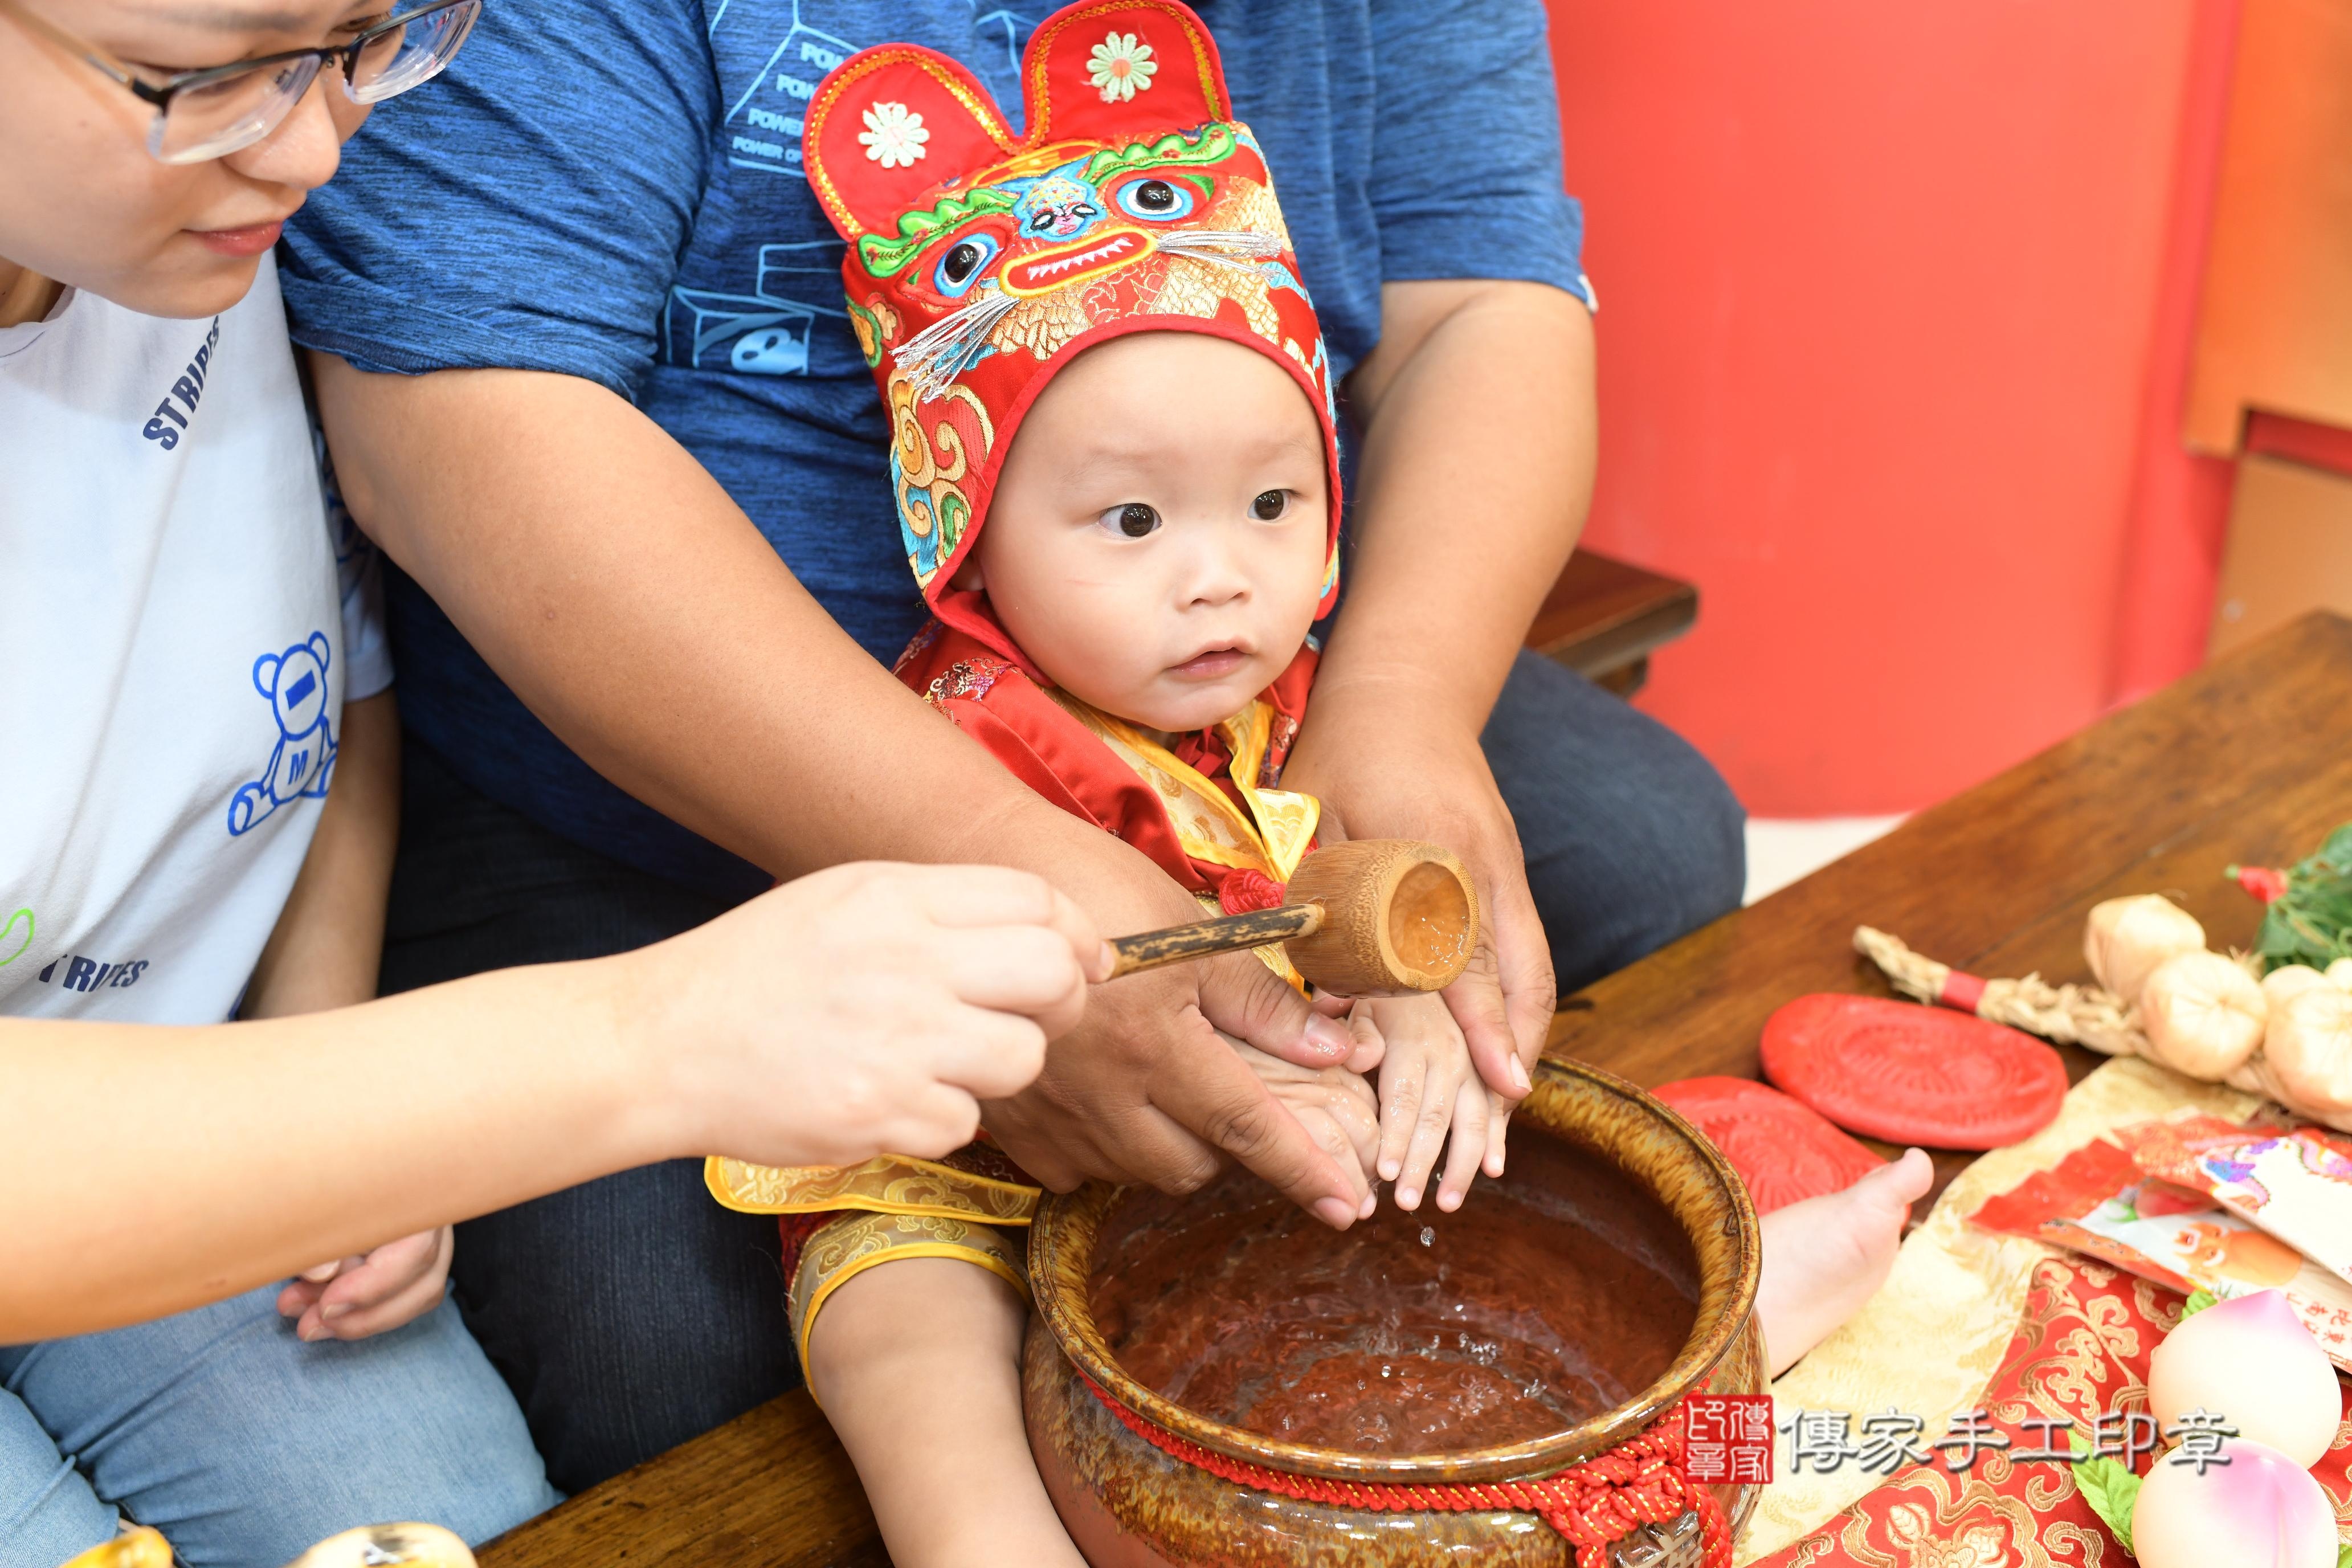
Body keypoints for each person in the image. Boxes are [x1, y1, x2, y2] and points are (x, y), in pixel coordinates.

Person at [281, 0, 1747, 1486]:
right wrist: (998, 864)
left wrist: (1399, 706)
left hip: (1230, 697)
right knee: (675, 1350)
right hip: (656, 791)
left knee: (1639, 855)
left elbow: (1481, 307)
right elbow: (456, 419)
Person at [704, 25, 1924, 1562]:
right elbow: (1001, 983)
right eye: (1131, 519)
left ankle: (1707, 1342)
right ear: (968, 536)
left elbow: (1335, 890)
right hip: (963, 1138)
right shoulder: (962, 735)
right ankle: (983, 1537)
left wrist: (1417, 1010)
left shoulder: (1272, 690)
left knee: (1460, 1104)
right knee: (900, 1315)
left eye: (1274, 505)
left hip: (1233, 1086)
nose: (1219, 578)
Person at [0, 1, 1102, 1561]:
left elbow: (331, 695)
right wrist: (649, 1038)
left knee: (455, 1514)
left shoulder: (179, 227)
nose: (318, 146)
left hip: (174, 1071)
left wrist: (337, 1075)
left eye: (362, 41)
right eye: (215, 75)